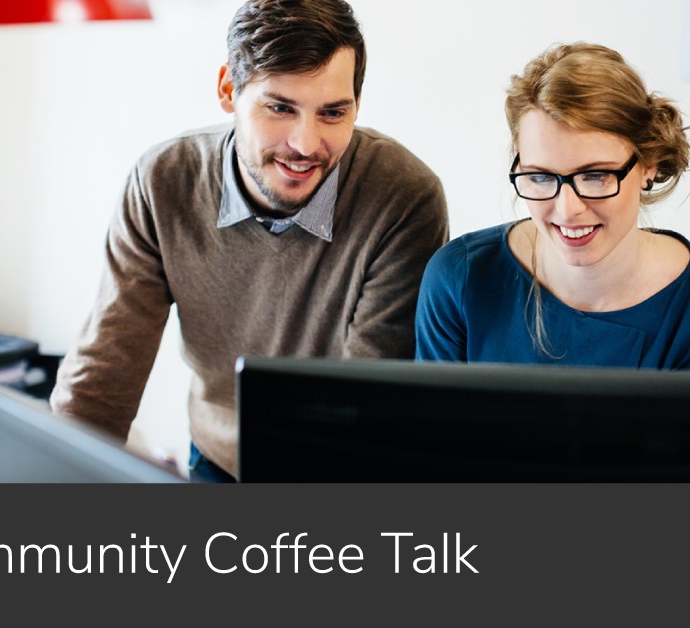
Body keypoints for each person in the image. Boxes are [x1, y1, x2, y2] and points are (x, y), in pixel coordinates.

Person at [51, 0, 449, 481]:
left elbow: (365, 408)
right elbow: (103, 375)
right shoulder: (163, 182)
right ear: (227, 89)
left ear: (356, 106)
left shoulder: (403, 197)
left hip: (335, 473)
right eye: (280, 108)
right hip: (220, 456)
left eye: (333, 113)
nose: (305, 144)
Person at [416, 43, 690, 369]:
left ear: (648, 164)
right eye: (541, 177)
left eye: (595, 176)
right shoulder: (459, 277)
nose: (567, 209)